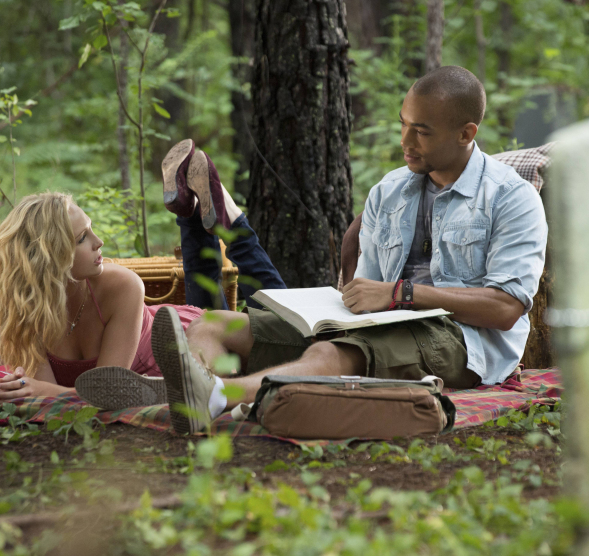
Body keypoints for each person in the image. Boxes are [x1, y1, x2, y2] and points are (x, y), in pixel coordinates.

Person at [104, 65, 547, 435]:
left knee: (331, 354)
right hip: (379, 326)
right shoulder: (390, 191)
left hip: (463, 342)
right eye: (403, 124)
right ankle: (198, 389)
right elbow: (368, 299)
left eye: (422, 132)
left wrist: (401, 294)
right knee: (214, 324)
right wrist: (348, 303)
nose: (406, 142)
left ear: (466, 132)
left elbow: (506, 307)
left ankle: (216, 394)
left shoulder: (511, 198)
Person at [0, 139, 285, 405]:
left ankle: (225, 217)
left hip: (188, 338)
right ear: (50, 259)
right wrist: (25, 390)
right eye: (82, 238)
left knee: (290, 322)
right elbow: (37, 391)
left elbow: (106, 391)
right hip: (190, 347)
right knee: (274, 318)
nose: (98, 242)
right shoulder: (26, 309)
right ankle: (194, 208)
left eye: (91, 230)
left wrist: (44, 391)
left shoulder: (122, 285)